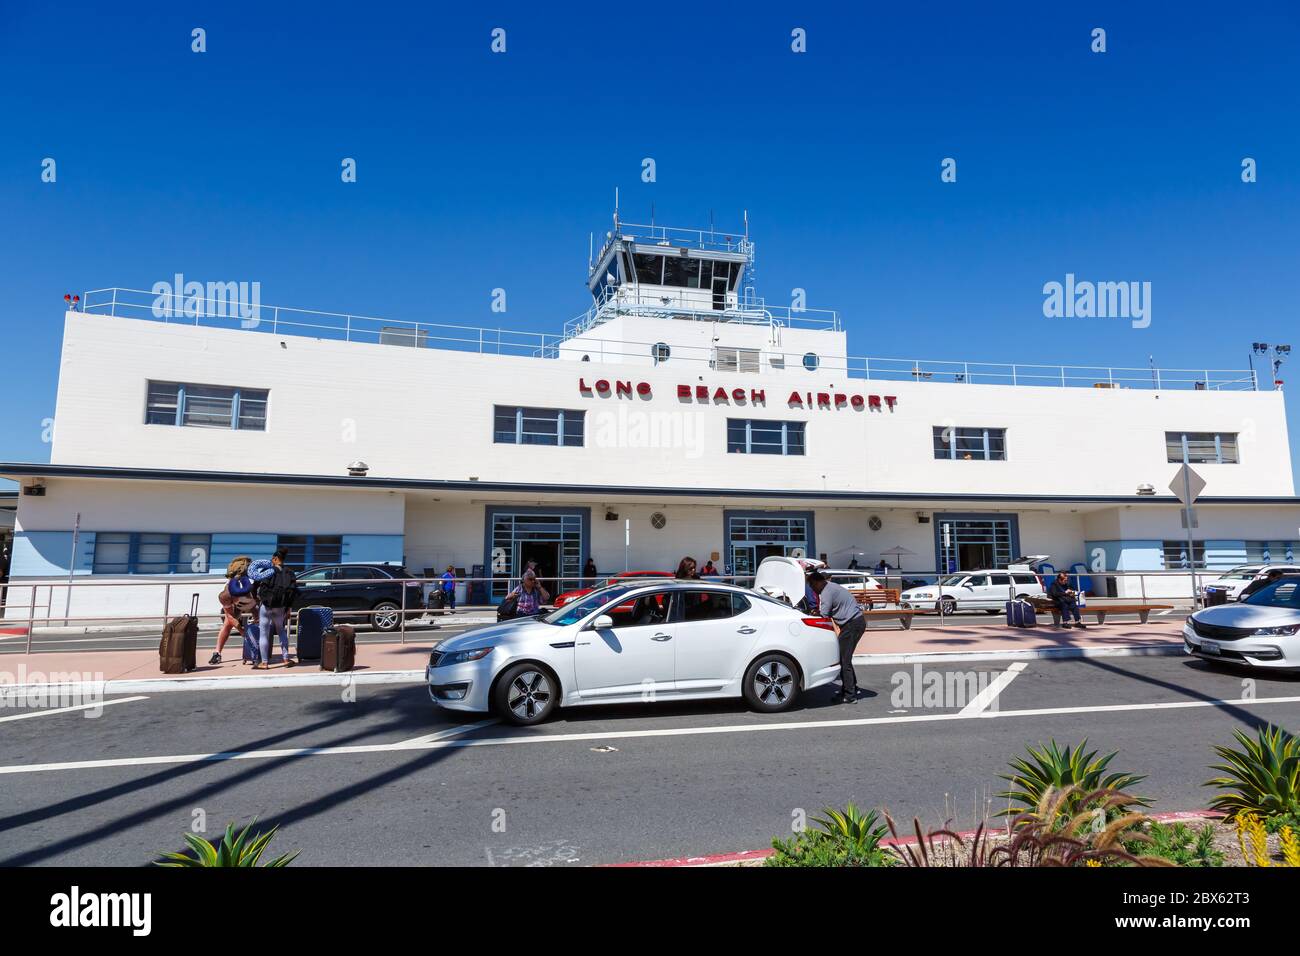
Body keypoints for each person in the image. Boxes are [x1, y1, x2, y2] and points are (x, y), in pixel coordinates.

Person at [807, 570, 866, 703]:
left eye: (812, 586)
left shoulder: (827, 592)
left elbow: (824, 615)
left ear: (817, 582)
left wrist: (811, 613)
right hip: (855, 622)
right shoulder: (831, 587)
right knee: (844, 658)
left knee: (842, 659)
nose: (812, 590)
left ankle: (850, 695)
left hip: (852, 624)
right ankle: (852, 688)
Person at [254, 549, 299, 667]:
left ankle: (264, 663)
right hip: (280, 606)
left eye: (272, 559)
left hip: (266, 605)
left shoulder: (268, 571)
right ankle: (285, 659)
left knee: (263, 633)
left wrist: (257, 600)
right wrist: (288, 607)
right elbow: (292, 592)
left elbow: (254, 586)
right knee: (281, 631)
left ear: (275, 559)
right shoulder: (290, 572)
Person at [210, 563, 255, 665]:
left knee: (258, 623)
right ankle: (217, 653)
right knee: (227, 624)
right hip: (235, 605)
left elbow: (255, 610)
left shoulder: (250, 587)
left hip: (249, 602)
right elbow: (230, 616)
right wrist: (242, 631)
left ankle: (257, 652)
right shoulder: (226, 594)